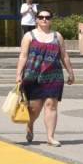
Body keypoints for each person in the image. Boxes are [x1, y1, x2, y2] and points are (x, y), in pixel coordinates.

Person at [16, 10, 75, 146]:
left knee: (51, 105)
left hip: (54, 75)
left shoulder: (57, 36)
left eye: (47, 17)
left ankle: (50, 137)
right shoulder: (29, 36)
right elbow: (23, 56)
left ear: (51, 20)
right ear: (36, 19)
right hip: (33, 75)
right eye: (41, 17)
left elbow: (64, 55)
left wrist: (70, 72)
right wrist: (18, 74)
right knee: (34, 109)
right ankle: (30, 124)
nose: (44, 19)